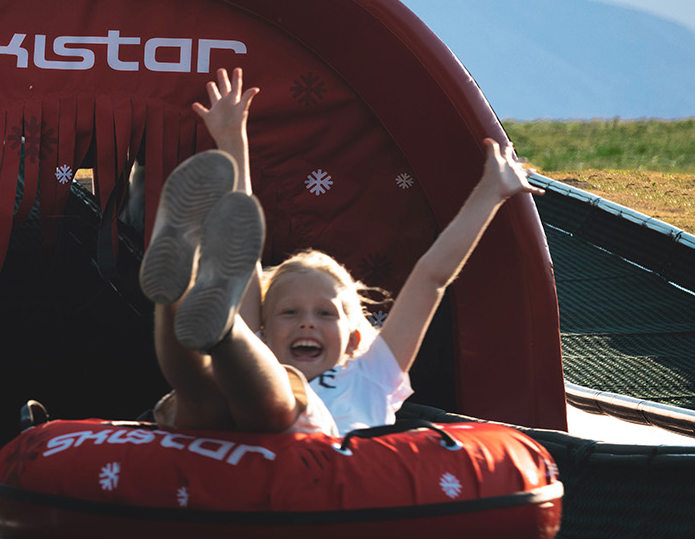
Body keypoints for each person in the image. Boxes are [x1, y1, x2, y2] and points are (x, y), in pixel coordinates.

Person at [140, 67, 541, 436]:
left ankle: (215, 323)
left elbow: (431, 277)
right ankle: (175, 299)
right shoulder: (264, 355)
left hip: (310, 445)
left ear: (353, 338)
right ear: (265, 331)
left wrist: (491, 193)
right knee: (204, 395)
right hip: (235, 428)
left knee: (268, 398)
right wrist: (232, 140)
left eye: (325, 313)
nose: (307, 324)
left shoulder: (371, 375)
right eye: (289, 312)